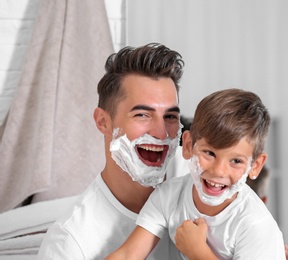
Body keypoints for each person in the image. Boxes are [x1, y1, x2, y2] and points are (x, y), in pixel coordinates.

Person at [37, 43, 186, 259]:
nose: (162, 133)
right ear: (103, 122)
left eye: (170, 116)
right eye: (142, 115)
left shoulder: (203, 177)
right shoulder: (70, 244)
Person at [106, 88, 286, 259]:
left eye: (236, 161)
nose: (218, 170)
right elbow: (128, 255)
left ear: (255, 165)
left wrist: (198, 252)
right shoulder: (170, 196)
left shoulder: (255, 224)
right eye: (209, 153)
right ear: (188, 146)